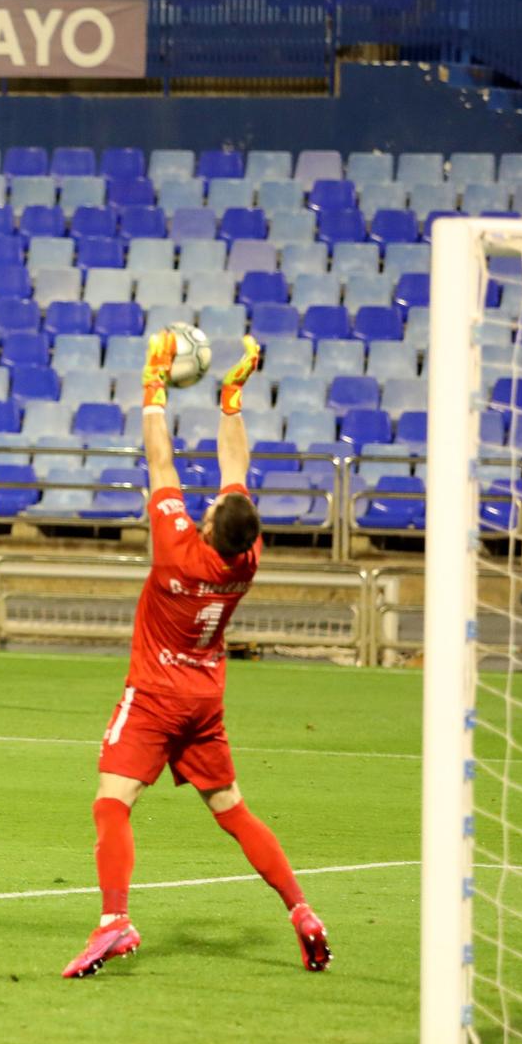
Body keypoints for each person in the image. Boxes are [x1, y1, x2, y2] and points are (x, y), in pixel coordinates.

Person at [61, 332, 332, 979]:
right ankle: (302, 911)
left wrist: (153, 389)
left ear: (210, 526)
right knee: (232, 808)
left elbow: (161, 464)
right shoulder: (246, 558)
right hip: (205, 699)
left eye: (210, 509)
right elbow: (235, 471)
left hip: (156, 692)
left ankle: (114, 922)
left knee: (111, 801)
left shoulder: (179, 550)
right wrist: (231, 400)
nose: (209, 502)